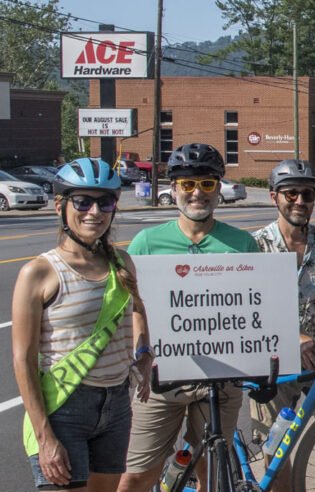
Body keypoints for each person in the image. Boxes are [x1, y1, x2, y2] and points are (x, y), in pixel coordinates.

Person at [117, 144, 261, 492]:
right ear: (174, 188)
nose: (197, 192)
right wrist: (138, 354)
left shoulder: (242, 244)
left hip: (221, 377)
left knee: (213, 475)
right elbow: (131, 309)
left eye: (207, 184)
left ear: (218, 189)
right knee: (136, 475)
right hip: (161, 379)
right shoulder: (147, 243)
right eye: (187, 184)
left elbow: (257, 311)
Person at [13, 158, 151, 491]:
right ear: (60, 205)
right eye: (82, 201)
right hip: (65, 408)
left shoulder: (122, 262)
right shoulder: (40, 272)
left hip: (116, 404)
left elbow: (137, 309)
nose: (94, 211)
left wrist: (144, 353)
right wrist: (45, 436)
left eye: (105, 202)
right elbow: (23, 360)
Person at [248, 159, 315, 491]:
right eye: (290, 193)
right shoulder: (256, 246)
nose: (299, 201)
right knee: (277, 454)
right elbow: (252, 308)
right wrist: (294, 336)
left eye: (307, 194)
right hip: (273, 364)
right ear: (273, 197)